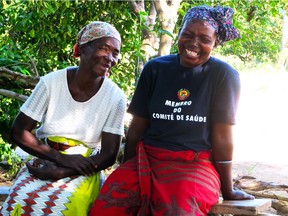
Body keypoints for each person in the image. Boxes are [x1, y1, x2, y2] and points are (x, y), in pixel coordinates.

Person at [90, 5, 254, 216]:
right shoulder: (155, 68)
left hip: (195, 164)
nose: (194, 43)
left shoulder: (223, 75)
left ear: (215, 42)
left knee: (178, 210)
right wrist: (129, 170)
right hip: (149, 158)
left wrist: (227, 188)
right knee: (109, 205)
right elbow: (138, 126)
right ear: (179, 33)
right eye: (187, 34)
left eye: (204, 39)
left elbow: (222, 136)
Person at [0, 21, 126, 216]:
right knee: (20, 199)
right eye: (104, 48)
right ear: (83, 48)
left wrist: (65, 171)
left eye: (115, 53)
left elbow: (109, 153)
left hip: (85, 167)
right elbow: (19, 131)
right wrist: (59, 159)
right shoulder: (51, 83)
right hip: (46, 157)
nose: (110, 58)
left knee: (67, 205)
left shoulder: (115, 96)